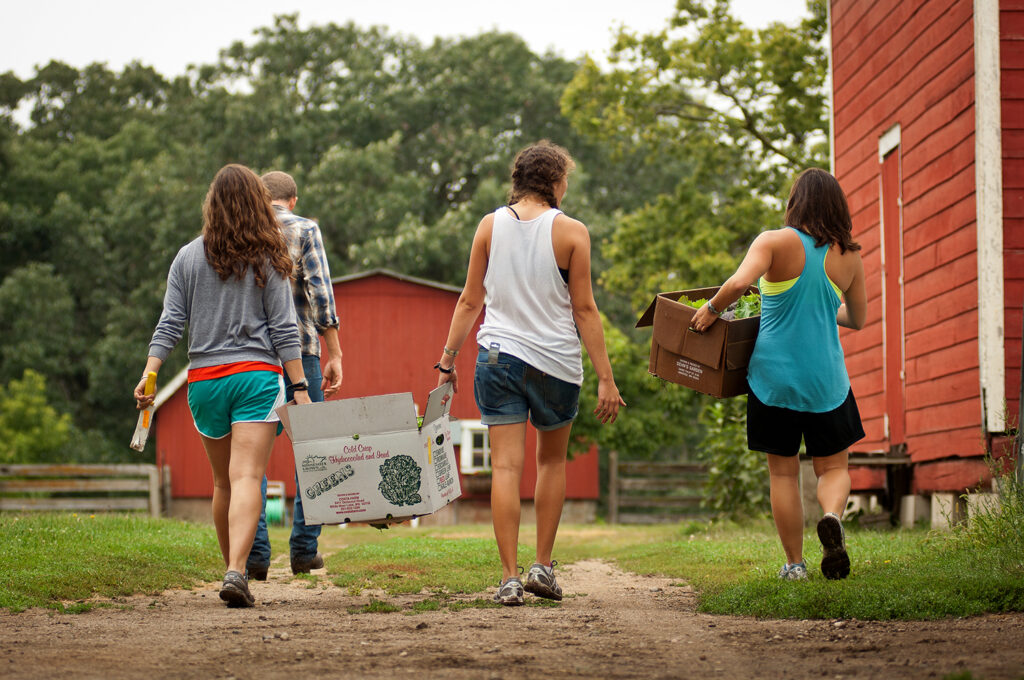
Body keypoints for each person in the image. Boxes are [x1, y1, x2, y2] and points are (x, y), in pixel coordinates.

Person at [435, 140, 626, 606]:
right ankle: (542, 565)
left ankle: (508, 578)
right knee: (551, 462)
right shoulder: (572, 233)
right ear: (555, 181)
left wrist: (447, 361)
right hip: (557, 364)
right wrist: (606, 376)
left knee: (504, 467)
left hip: (498, 358)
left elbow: (469, 300)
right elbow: (584, 308)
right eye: (566, 179)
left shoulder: (488, 226)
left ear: (519, 179)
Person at [134, 164, 313, 608]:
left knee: (222, 483)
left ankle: (230, 570)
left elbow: (170, 322)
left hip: (205, 381)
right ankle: (237, 569)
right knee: (248, 475)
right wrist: (301, 387)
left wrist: (151, 372)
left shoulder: (187, 257)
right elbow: (284, 330)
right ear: (257, 202)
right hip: (255, 377)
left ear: (211, 204)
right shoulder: (271, 257)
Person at [690, 167, 867, 581]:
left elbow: (738, 283)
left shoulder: (773, 241)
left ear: (795, 202)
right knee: (834, 469)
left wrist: (711, 309)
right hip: (828, 382)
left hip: (774, 381)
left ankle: (794, 565)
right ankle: (831, 516)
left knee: (783, 472)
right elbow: (857, 319)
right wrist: (823, 309)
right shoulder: (849, 255)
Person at [245, 170, 343, 580]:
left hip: (252, 357)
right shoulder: (305, 229)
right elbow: (320, 293)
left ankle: (256, 555)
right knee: (312, 453)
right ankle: (304, 550)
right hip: (301, 353)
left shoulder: (243, 230)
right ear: (293, 199)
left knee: (250, 458)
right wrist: (334, 350)